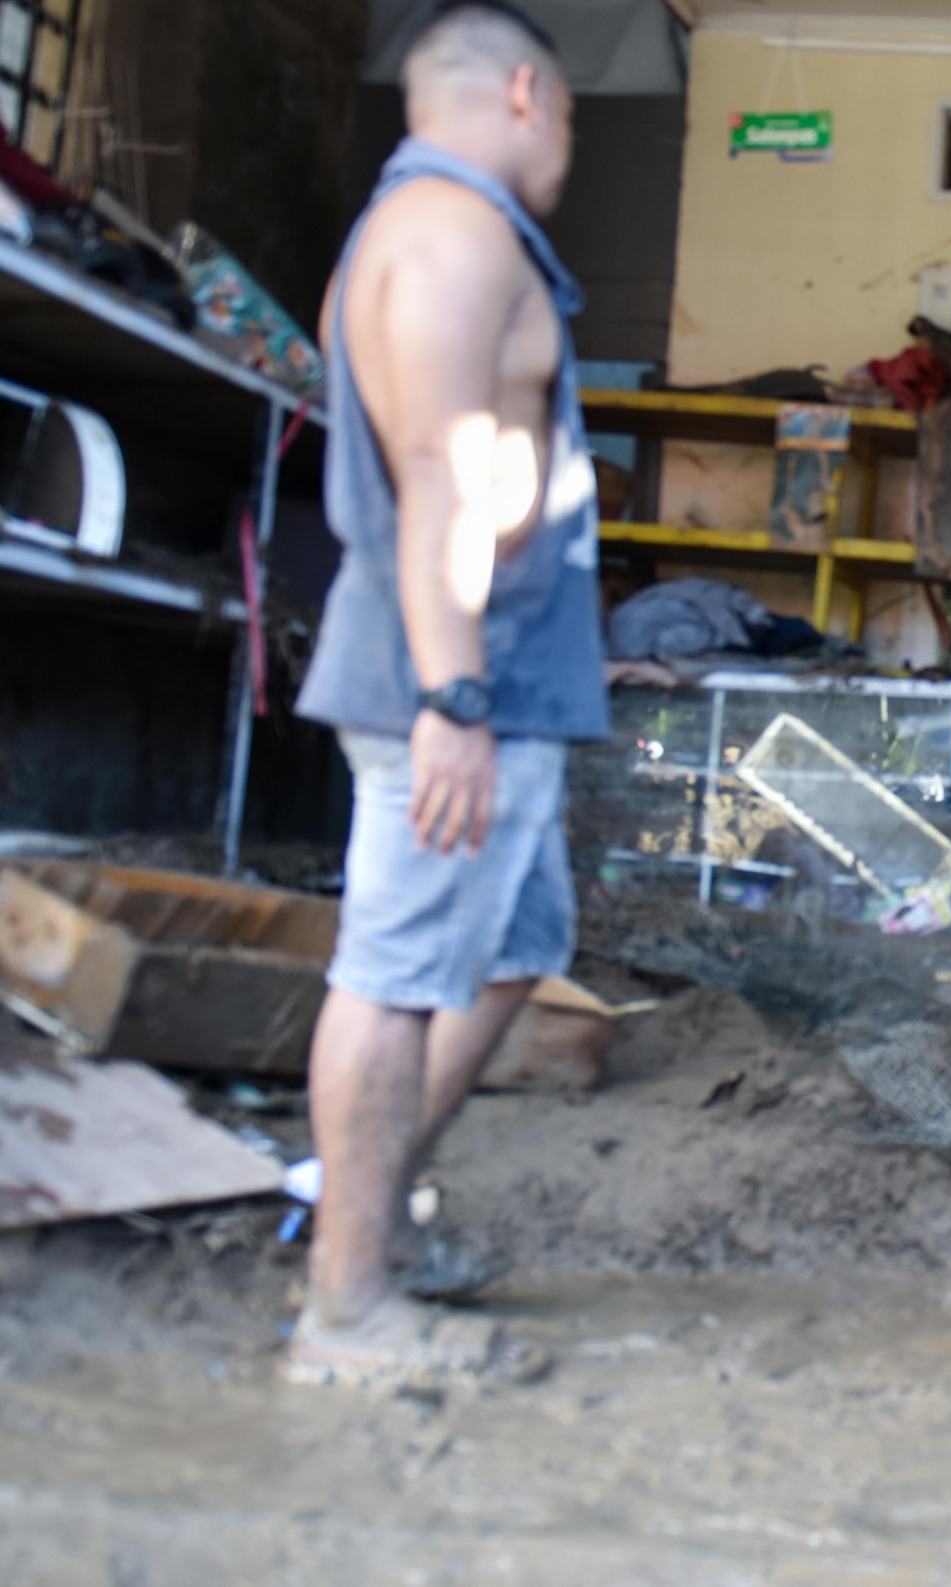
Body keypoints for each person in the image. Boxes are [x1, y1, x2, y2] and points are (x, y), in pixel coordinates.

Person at [285, 0, 607, 1386]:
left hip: (505, 664)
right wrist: (452, 695)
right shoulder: (449, 238)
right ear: (526, 92)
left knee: (515, 942)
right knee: (399, 969)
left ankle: (358, 1229)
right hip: (458, 671)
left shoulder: (450, 234)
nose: (569, 149)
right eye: (576, 120)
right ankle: (347, 1308)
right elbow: (435, 468)